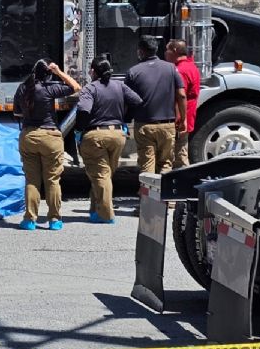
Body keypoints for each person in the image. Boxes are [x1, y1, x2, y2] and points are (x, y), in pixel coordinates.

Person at [12, 59, 81, 231]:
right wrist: (58, 72)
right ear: (48, 75)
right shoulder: (50, 88)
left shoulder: (22, 88)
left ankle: (29, 220)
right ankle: (55, 220)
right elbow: (76, 87)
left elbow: (16, 113)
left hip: (28, 136)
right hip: (50, 137)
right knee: (52, 180)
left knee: (32, 180)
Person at [76, 56, 143, 224]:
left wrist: (79, 131)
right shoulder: (120, 86)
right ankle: (96, 208)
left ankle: (106, 214)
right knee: (105, 174)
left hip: (96, 135)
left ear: (93, 71)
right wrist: (125, 119)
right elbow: (137, 101)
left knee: (100, 175)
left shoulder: (90, 89)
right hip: (118, 134)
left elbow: (84, 111)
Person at [125, 37, 187, 175]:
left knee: (147, 164)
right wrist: (183, 118)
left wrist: (125, 121)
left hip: (144, 126)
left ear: (140, 51)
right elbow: (182, 95)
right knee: (166, 163)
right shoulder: (171, 68)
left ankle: (148, 195)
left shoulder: (133, 72)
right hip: (167, 125)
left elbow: (127, 100)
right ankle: (167, 196)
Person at [165, 39, 201, 169]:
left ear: (174, 51)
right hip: (187, 116)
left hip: (180, 119)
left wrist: (180, 119)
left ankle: (183, 183)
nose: (165, 53)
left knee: (179, 156)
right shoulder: (191, 66)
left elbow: (180, 96)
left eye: (167, 50)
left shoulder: (181, 70)